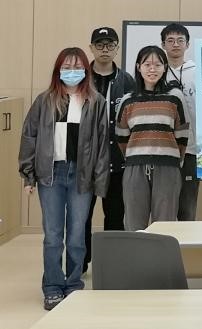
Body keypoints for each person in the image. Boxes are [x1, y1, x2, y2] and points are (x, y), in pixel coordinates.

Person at [18, 48, 109, 311]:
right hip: (51, 174)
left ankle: (74, 284)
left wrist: (100, 180)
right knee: (53, 235)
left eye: (77, 66)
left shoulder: (96, 101)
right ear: (58, 70)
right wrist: (28, 175)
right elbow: (29, 136)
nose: (72, 71)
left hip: (82, 174)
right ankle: (52, 286)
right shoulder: (45, 100)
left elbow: (102, 143)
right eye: (67, 67)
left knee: (77, 235)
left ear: (86, 70)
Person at [116, 46, 188, 231]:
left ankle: (163, 253)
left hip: (168, 167)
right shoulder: (128, 100)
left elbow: (182, 135)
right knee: (134, 224)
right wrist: (138, 154)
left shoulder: (175, 97)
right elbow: (121, 137)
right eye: (147, 64)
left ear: (165, 68)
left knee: (165, 226)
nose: (152, 69)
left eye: (157, 65)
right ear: (138, 67)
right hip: (135, 168)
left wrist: (169, 158)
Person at [82, 27, 136, 273]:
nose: (105, 49)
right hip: (85, 162)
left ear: (117, 48)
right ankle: (80, 263)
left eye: (110, 45)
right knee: (81, 216)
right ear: (91, 48)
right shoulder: (80, 79)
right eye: (99, 45)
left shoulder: (127, 80)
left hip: (117, 160)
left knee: (115, 215)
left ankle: (112, 267)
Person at [160, 23, 199, 222]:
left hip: (191, 149)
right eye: (170, 40)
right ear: (163, 45)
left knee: (187, 207)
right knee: (163, 207)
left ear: (187, 44)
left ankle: (187, 242)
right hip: (163, 149)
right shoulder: (157, 72)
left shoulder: (199, 72)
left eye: (180, 40)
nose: (175, 44)